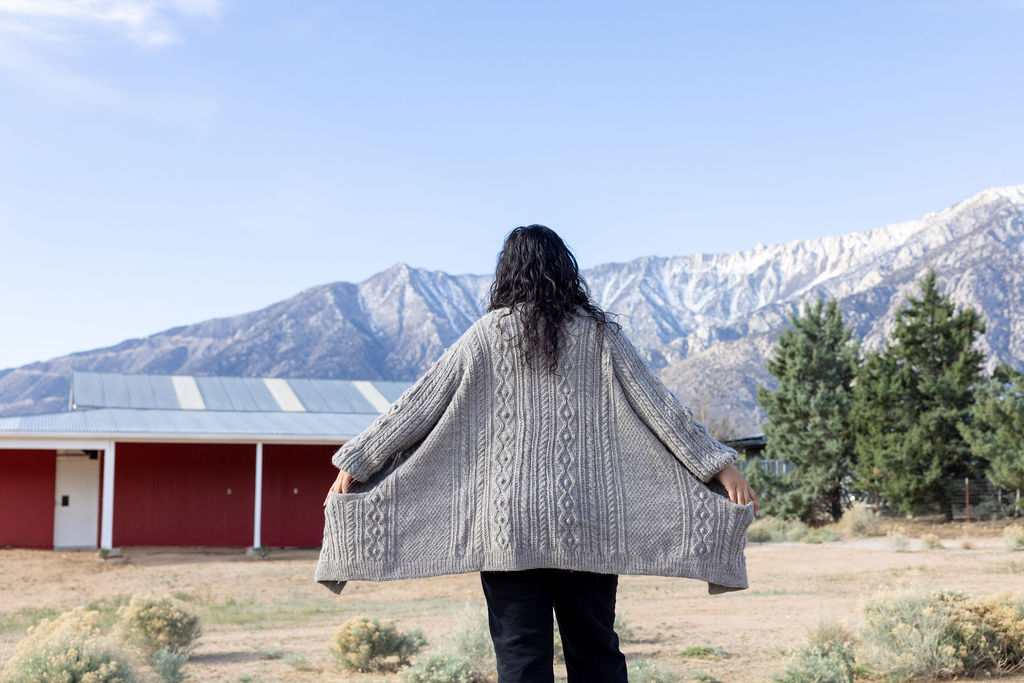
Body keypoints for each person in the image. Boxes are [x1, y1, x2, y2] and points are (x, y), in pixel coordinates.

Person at [320, 225, 758, 683]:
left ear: (507, 272)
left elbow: (418, 405)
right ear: (565, 270)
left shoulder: (485, 335)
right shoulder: (599, 337)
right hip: (587, 522)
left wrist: (359, 459)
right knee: (595, 651)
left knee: (520, 658)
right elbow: (661, 408)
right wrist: (720, 467)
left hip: (506, 527)